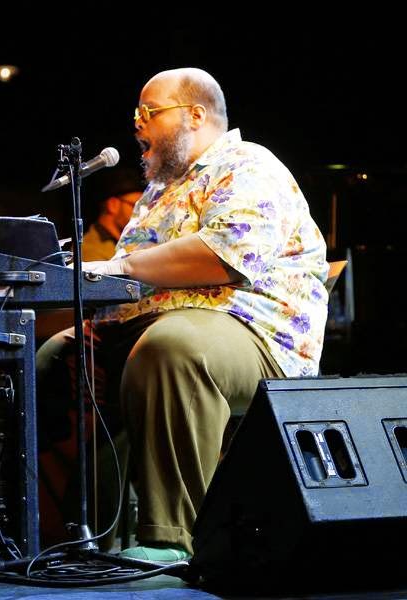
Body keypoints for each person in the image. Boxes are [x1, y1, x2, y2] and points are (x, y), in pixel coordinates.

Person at [36, 67, 329, 562]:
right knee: (55, 356)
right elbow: (130, 284)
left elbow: (226, 255)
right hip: (158, 326)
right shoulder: (158, 192)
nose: (136, 125)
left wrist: (120, 264)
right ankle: (83, 539)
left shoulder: (248, 164)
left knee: (172, 349)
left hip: (253, 335)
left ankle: (173, 541)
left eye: (148, 113)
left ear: (196, 115)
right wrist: (98, 317)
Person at [81, 167, 143, 261]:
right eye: (135, 205)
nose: (141, 213)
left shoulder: (129, 243)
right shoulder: (89, 250)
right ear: (113, 205)